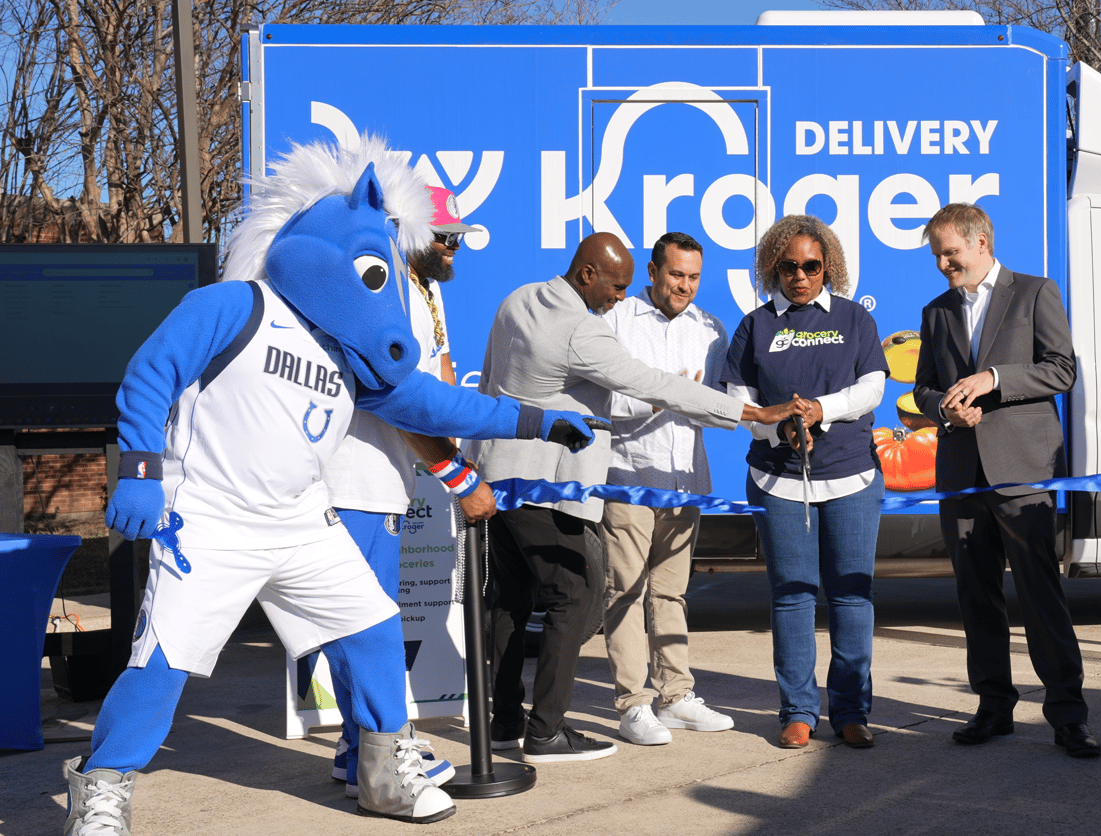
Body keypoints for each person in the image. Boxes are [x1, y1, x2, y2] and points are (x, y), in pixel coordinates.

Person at [65, 137, 601, 833]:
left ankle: (379, 771)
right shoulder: (237, 304)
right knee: (163, 664)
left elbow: (436, 405)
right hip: (209, 520)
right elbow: (150, 372)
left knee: (375, 626)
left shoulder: (346, 353)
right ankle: (103, 784)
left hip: (298, 522)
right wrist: (139, 469)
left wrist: (534, 420)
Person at [467, 232, 800, 764]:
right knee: (578, 597)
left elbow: (488, 384)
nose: (619, 298)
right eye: (615, 287)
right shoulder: (585, 330)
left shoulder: (519, 298)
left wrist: (474, 459)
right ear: (587, 276)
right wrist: (753, 414)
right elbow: (654, 384)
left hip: (501, 475)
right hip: (551, 486)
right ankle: (547, 730)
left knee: (510, 603)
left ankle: (505, 723)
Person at [316, 185, 491, 797]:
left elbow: (439, 386)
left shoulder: (425, 290)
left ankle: (357, 746)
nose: (452, 250)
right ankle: (380, 748)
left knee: (361, 619)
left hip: (382, 481)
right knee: (368, 623)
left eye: (457, 240)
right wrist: (460, 477)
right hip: (352, 478)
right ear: (409, 233)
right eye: (444, 238)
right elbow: (400, 402)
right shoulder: (388, 289)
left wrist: (464, 447)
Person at [911, 202, 1099, 758]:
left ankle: (1068, 714)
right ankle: (993, 707)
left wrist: (993, 379)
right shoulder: (936, 311)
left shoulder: (1035, 292)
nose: (944, 263)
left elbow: (1060, 370)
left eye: (951, 252)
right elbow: (922, 388)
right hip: (963, 475)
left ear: (981, 242)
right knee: (977, 595)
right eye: (938, 255)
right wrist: (946, 410)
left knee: (1041, 591)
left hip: (1023, 470)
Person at [720, 214, 888, 751]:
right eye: (789, 266)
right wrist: (777, 428)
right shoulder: (755, 325)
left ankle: (851, 711)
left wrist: (820, 411)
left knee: (851, 597)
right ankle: (797, 711)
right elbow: (737, 402)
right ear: (774, 267)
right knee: (792, 597)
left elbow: (872, 388)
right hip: (778, 479)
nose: (800, 276)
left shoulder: (854, 320)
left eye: (812, 266)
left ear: (828, 267)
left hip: (851, 475)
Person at [599, 232, 735, 746]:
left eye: (694, 277)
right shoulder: (615, 321)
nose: (684, 286)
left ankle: (676, 696)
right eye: (676, 274)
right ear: (653, 270)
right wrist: (660, 396)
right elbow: (599, 405)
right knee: (625, 592)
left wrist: (699, 400)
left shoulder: (710, 330)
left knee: (671, 593)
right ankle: (632, 703)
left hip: (686, 480)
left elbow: (723, 410)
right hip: (631, 477)